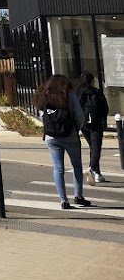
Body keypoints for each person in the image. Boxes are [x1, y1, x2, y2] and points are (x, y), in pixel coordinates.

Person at [34, 74, 91, 209]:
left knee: (58, 168)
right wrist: (76, 129)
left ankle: (63, 200)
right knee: (76, 165)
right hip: (70, 136)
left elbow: (42, 116)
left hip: (52, 137)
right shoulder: (69, 96)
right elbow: (80, 116)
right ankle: (78, 196)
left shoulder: (46, 96)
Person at [75, 71, 110, 185]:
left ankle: (97, 172)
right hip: (96, 124)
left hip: (84, 124)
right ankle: (91, 169)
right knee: (96, 148)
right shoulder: (97, 92)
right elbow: (105, 108)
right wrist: (103, 120)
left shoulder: (78, 92)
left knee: (92, 147)